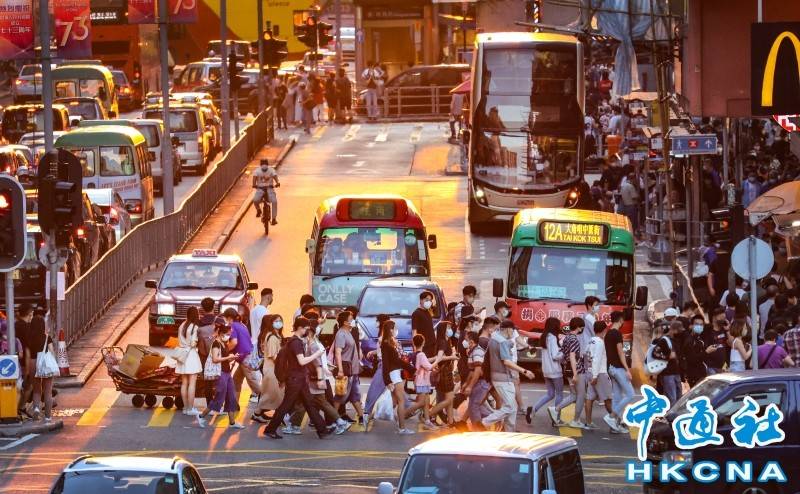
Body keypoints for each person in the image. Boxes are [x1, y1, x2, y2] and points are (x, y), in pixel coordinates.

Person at [263, 317, 331, 439]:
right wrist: (317, 354)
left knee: (309, 404)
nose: (307, 331)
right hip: (295, 379)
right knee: (286, 405)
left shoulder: (294, 341)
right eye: (306, 329)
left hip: (298, 378)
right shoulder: (296, 343)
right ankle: (270, 429)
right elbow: (302, 361)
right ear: (300, 328)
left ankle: (322, 430)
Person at [285, 316, 351, 435]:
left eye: (306, 330)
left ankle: (339, 422)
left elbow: (318, 365)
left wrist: (320, 379)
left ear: (310, 332)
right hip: (312, 379)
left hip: (314, 380)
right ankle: (296, 425)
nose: (304, 332)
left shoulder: (313, 346)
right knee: (311, 403)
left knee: (313, 403)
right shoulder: (311, 344)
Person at [482, 320, 534, 432]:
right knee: (510, 407)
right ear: (508, 329)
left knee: (512, 408)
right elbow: (506, 361)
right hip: (503, 378)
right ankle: (485, 422)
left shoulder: (494, 337)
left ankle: (509, 432)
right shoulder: (502, 342)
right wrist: (524, 371)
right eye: (513, 330)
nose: (514, 332)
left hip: (497, 376)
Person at [197, 318, 245, 429]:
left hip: (227, 373)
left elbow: (224, 358)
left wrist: (232, 357)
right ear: (221, 333)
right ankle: (201, 416)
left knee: (231, 397)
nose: (229, 336)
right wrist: (228, 357)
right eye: (227, 334)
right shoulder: (216, 344)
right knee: (219, 397)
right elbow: (215, 359)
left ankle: (232, 422)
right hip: (221, 373)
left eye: (229, 334)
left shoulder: (224, 344)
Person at [380, 320, 416, 434]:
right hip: (394, 374)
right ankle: (402, 428)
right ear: (390, 330)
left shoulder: (390, 342)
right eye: (394, 328)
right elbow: (387, 363)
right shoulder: (386, 344)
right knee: (401, 401)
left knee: (394, 402)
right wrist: (387, 380)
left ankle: (371, 415)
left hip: (394, 373)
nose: (396, 330)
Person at [333, 311, 365, 426]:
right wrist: (340, 370)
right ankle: (333, 418)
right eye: (351, 319)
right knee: (340, 395)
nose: (353, 321)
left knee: (354, 394)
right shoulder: (341, 334)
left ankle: (361, 417)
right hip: (346, 370)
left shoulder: (348, 332)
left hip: (353, 370)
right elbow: (338, 352)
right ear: (345, 322)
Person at [251, 314, 285, 423]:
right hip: (273, 370)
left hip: (271, 369)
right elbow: (273, 356)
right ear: (271, 323)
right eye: (276, 321)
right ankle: (278, 418)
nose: (279, 323)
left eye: (280, 320)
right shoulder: (272, 337)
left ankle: (258, 414)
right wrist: (283, 366)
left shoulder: (273, 335)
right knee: (274, 395)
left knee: (271, 394)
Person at [556, 317, 589, 428]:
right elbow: (572, 356)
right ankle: (576, 420)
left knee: (574, 395)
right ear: (578, 327)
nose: (582, 329)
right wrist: (575, 373)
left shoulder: (567, 338)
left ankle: (556, 409)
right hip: (577, 370)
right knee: (581, 395)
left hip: (568, 369)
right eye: (582, 327)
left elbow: (564, 354)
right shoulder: (574, 339)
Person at [531, 318, 564, 426]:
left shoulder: (544, 337)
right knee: (559, 394)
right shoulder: (553, 338)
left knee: (550, 394)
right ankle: (556, 419)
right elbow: (555, 356)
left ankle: (533, 409)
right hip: (555, 370)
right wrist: (564, 352)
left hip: (546, 370)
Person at [222, 308, 261, 397]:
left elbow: (234, 342)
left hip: (245, 358)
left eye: (225, 318)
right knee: (236, 380)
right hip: (246, 357)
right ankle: (235, 403)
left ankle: (266, 398)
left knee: (253, 383)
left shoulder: (232, 326)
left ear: (229, 318)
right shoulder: (242, 325)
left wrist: (224, 350)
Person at [604, 311, 632, 434]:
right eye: (623, 320)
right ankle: (612, 416)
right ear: (620, 320)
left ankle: (614, 426)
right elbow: (621, 353)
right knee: (630, 394)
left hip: (610, 368)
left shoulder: (608, 333)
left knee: (617, 397)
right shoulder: (617, 333)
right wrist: (627, 369)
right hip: (618, 368)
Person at [404, 334, 438, 430]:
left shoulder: (415, 354)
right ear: (423, 343)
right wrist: (438, 359)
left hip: (421, 381)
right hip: (422, 381)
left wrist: (435, 358)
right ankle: (402, 414)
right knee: (421, 402)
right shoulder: (421, 355)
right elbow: (429, 367)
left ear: (414, 343)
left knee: (426, 402)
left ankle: (427, 421)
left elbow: (426, 362)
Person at [429, 322, 458, 427]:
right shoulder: (443, 342)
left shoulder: (444, 341)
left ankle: (450, 421)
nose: (450, 330)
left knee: (449, 400)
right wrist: (452, 357)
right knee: (449, 400)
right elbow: (439, 357)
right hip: (445, 373)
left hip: (445, 373)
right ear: (443, 330)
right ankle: (428, 415)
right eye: (448, 328)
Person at [175, 307, 203, 416]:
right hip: (191, 355)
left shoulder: (182, 325)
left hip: (182, 355)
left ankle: (186, 408)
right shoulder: (194, 327)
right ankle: (191, 408)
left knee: (184, 383)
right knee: (192, 383)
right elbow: (193, 343)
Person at [462, 331, 491, 430]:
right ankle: (488, 423)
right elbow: (472, 370)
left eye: (466, 339)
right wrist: (466, 383)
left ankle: (479, 430)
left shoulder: (477, 352)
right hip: (480, 382)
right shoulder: (472, 351)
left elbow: (477, 371)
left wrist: (469, 386)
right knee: (476, 406)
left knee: (474, 407)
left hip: (481, 382)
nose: (464, 342)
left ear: (471, 341)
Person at [27, 315, 54, 422]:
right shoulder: (47, 338)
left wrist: (27, 371)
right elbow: (51, 351)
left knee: (36, 390)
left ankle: (36, 409)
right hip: (45, 363)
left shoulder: (29, 338)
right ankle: (48, 417)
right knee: (48, 391)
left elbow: (28, 355)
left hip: (33, 362)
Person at [656, 321, 684, 405]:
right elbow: (655, 353)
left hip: (676, 372)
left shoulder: (676, 340)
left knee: (679, 397)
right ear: (673, 330)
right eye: (679, 331)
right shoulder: (663, 340)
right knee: (672, 398)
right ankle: (670, 413)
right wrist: (668, 356)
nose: (680, 333)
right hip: (667, 374)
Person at [196, 297, 217, 404]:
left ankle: (209, 403)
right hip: (217, 355)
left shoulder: (198, 324)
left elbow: (196, 341)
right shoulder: (219, 321)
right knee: (219, 379)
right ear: (214, 307)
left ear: (202, 308)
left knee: (208, 380)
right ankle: (219, 401)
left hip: (203, 356)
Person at [682, 315, 709, 387]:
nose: (699, 326)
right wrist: (706, 352)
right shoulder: (689, 341)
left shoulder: (700, 339)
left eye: (701, 325)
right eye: (696, 324)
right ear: (691, 326)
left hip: (702, 374)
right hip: (694, 376)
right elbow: (692, 359)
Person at [252, 159, 280, 225]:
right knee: (255, 200)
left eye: (265, 164)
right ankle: (258, 210)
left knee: (274, 201)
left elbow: (275, 176)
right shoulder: (257, 171)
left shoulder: (271, 170)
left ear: (267, 165)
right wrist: (254, 184)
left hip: (269, 188)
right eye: (263, 164)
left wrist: (277, 182)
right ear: (260, 165)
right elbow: (254, 178)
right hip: (260, 189)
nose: (264, 166)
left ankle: (274, 219)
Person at [411, 291, 437, 358]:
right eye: (427, 300)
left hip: (432, 346)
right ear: (421, 300)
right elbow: (414, 332)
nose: (429, 302)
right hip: (424, 347)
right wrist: (415, 349)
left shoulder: (428, 312)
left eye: (430, 300)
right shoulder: (416, 313)